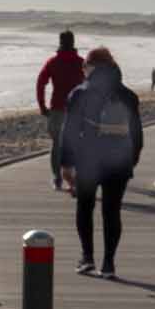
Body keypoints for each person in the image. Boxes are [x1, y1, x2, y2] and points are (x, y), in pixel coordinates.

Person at [57, 47, 143, 279]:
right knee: (112, 211)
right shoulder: (128, 95)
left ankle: (87, 258)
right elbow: (137, 135)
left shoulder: (80, 93)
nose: (83, 70)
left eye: (84, 65)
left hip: (88, 160)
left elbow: (70, 132)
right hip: (119, 162)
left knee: (85, 207)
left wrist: (66, 164)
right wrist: (131, 160)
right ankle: (108, 264)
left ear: (93, 66)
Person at [35, 30, 87, 192]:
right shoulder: (82, 62)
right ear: (73, 42)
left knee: (57, 145)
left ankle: (58, 179)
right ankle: (77, 178)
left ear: (60, 42)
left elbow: (40, 83)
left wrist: (42, 106)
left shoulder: (53, 62)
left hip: (57, 109)